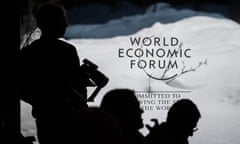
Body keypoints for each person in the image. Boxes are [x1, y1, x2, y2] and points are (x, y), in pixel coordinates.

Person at [19, 2, 89, 144]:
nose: (66, 25)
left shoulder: (28, 52)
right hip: (70, 121)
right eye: (63, 20)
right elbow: (76, 89)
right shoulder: (67, 50)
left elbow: (23, 88)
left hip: (44, 121)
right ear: (55, 23)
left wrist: (40, 101)